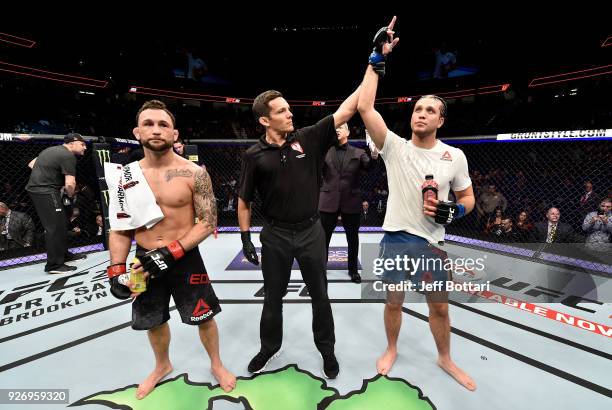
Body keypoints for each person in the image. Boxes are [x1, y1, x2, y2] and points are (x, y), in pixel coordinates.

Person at [357, 17, 477, 391]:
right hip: (395, 237)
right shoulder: (394, 147)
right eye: (417, 109)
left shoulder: (454, 156)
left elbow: (468, 199)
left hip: (432, 243)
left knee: (439, 306)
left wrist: (456, 211)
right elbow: (364, 107)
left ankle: (445, 357)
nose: (421, 113)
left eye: (429, 110)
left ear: (441, 120)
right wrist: (376, 58)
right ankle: (391, 349)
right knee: (394, 301)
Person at [107, 100, 235, 399]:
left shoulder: (193, 173)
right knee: (153, 319)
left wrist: (171, 252)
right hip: (143, 261)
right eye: (149, 123)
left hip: (185, 258)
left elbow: (207, 222)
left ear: (175, 134)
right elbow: (120, 227)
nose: (156, 130)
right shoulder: (125, 177)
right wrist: (116, 269)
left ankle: (216, 364)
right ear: (137, 132)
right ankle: (162, 365)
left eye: (163, 124)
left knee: (204, 316)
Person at [237, 80, 363, 378]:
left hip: (310, 231)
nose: (290, 114)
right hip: (275, 235)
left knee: (320, 295)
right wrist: (245, 238)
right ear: (265, 120)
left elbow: (348, 108)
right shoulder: (253, 155)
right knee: (272, 297)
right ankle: (269, 347)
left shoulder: (308, 138)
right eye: (282, 111)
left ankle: (327, 350)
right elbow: (244, 201)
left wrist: (373, 66)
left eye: (289, 109)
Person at [319, 123, 376, 283]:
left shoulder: (359, 153)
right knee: (322, 239)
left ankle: (353, 270)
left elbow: (370, 167)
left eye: (341, 127)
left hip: (351, 201)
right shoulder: (324, 151)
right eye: (335, 127)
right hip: (328, 201)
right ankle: (320, 269)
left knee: (352, 239)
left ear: (348, 132)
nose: (337, 129)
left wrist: (374, 154)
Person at [26, 133, 88, 273]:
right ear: (72, 143)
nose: (85, 147)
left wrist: (47, 174)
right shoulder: (67, 156)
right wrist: (70, 197)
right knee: (54, 227)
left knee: (61, 223)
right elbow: (70, 183)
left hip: (42, 189)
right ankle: (54, 265)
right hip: (45, 191)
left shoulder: (50, 150)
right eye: (82, 144)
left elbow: (32, 164)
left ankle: (63, 255)